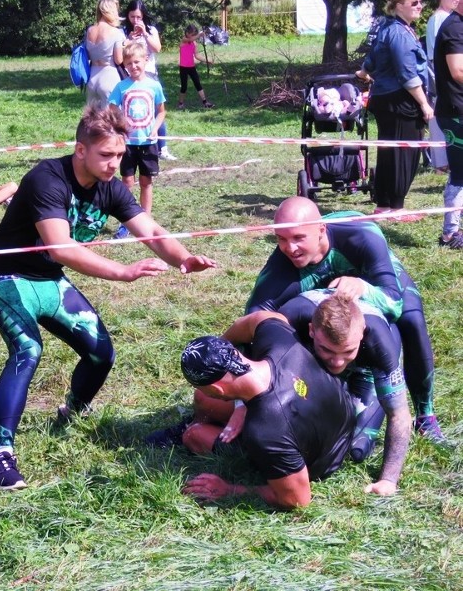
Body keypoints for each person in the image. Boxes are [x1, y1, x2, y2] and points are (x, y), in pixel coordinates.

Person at [0, 105, 216, 490]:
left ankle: (70, 411)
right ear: (80, 150)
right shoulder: (46, 178)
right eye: (106, 155)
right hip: (6, 277)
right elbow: (61, 248)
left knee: (101, 354)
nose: (114, 164)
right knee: (27, 350)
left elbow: (149, 230)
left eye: (119, 155)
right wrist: (122, 272)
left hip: (47, 280)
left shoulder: (111, 187)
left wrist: (182, 258)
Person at [246, 196, 444, 441]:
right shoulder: (281, 265)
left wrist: (364, 288)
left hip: (370, 280)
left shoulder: (362, 235)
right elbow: (252, 323)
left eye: (298, 238)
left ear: (321, 230)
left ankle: (425, 414)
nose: (289, 248)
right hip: (324, 290)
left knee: (410, 321)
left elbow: (394, 301)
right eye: (281, 239)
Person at [234, 292, 410, 496]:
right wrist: (240, 405)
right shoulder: (289, 321)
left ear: (361, 333)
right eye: (327, 350)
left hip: (365, 370)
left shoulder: (380, 345)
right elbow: (245, 346)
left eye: (347, 352)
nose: (337, 362)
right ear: (311, 331)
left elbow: (399, 413)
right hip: (306, 357)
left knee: (356, 449)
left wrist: (388, 480)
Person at [175, 311, 357, 509]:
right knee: (204, 400)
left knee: (194, 435)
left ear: (217, 389)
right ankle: (208, 418)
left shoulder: (265, 431)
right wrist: (218, 347)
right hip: (340, 414)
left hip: (324, 458)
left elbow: (297, 499)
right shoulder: (278, 339)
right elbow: (259, 318)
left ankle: (193, 426)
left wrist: (229, 490)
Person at [359, 0, 431, 217]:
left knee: (389, 153)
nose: (420, 6)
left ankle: (384, 206)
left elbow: (371, 59)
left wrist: (363, 72)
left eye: (420, 2)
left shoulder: (388, 27)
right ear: (399, 5)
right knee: (404, 155)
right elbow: (407, 75)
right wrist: (424, 104)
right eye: (414, 3)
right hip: (401, 102)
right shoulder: (400, 33)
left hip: (384, 99)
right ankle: (396, 209)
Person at [108, 43, 166, 238]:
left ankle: (146, 220)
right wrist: (119, 129)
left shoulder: (154, 85)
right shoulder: (121, 87)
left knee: (146, 181)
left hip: (148, 143)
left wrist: (155, 129)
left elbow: (161, 112)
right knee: (127, 182)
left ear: (146, 61)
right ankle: (127, 220)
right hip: (128, 144)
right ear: (124, 65)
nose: (133, 66)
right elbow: (112, 109)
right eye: (129, 63)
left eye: (137, 62)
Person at [120, 0, 176, 162]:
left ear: (143, 15)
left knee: (156, 111)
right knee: (134, 111)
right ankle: (132, 142)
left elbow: (157, 48)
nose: (135, 20)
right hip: (129, 76)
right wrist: (129, 38)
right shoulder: (123, 31)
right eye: (132, 17)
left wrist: (144, 33)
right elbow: (121, 54)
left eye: (138, 17)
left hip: (150, 74)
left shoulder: (151, 29)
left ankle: (162, 147)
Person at [434, 0, 463, 250]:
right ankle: (449, 235)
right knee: (460, 175)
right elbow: (457, 71)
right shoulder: (454, 29)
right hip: (456, 112)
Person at [425, 0, 460, 173]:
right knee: (440, 118)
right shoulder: (441, 18)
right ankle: (441, 163)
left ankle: (443, 163)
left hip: (443, 71)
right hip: (441, 72)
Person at [84, 0, 127, 109]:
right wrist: (125, 45)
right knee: (110, 119)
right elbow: (118, 60)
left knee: (93, 119)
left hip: (92, 77)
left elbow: (88, 54)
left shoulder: (90, 30)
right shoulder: (116, 32)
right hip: (109, 76)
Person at [176, 24, 214, 111]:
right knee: (184, 86)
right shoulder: (184, 40)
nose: (193, 36)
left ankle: (205, 102)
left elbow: (196, 55)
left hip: (191, 67)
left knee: (198, 84)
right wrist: (199, 35)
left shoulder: (194, 43)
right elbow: (190, 39)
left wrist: (207, 60)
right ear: (187, 33)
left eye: (194, 34)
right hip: (183, 67)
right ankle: (181, 103)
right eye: (192, 34)